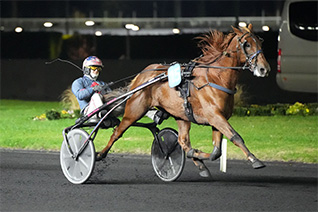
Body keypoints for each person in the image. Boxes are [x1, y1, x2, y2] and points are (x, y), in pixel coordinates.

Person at [72, 56, 111, 121]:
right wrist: (93, 89)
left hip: (104, 108)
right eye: (94, 68)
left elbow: (111, 96)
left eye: (98, 69)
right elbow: (80, 95)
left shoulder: (102, 83)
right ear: (86, 69)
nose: (96, 71)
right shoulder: (79, 82)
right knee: (96, 96)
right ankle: (102, 113)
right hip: (88, 111)